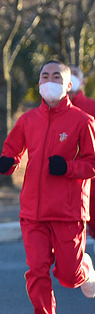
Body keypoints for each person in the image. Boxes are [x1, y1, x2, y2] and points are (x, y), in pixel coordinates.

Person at [0, 60, 95, 314]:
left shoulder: (82, 121)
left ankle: (85, 270)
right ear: (39, 84)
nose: (49, 80)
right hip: (33, 211)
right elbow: (12, 148)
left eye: (56, 76)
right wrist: (8, 161)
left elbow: (92, 162)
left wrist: (67, 167)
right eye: (44, 76)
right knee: (36, 270)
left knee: (68, 276)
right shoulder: (28, 119)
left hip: (67, 210)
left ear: (69, 85)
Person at [68, 66, 95, 239]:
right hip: (63, 174)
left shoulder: (91, 107)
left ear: (83, 82)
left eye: (75, 75)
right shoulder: (51, 110)